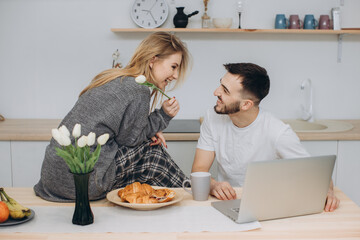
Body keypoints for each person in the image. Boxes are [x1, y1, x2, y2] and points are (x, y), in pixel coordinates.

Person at [34, 32, 191, 202]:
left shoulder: (117, 78)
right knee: (151, 150)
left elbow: (124, 133)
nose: (175, 75)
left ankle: (175, 195)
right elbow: (131, 140)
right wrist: (162, 116)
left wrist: (147, 129)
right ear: (153, 60)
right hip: (83, 181)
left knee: (147, 162)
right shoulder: (138, 90)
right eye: (174, 67)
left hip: (53, 178)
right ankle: (190, 194)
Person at [192, 63, 340, 212]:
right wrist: (213, 185)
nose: (215, 92)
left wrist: (328, 191)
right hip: (225, 205)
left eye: (225, 91)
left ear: (246, 105)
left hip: (267, 207)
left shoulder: (277, 132)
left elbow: (317, 173)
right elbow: (199, 170)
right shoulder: (212, 118)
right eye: (220, 85)